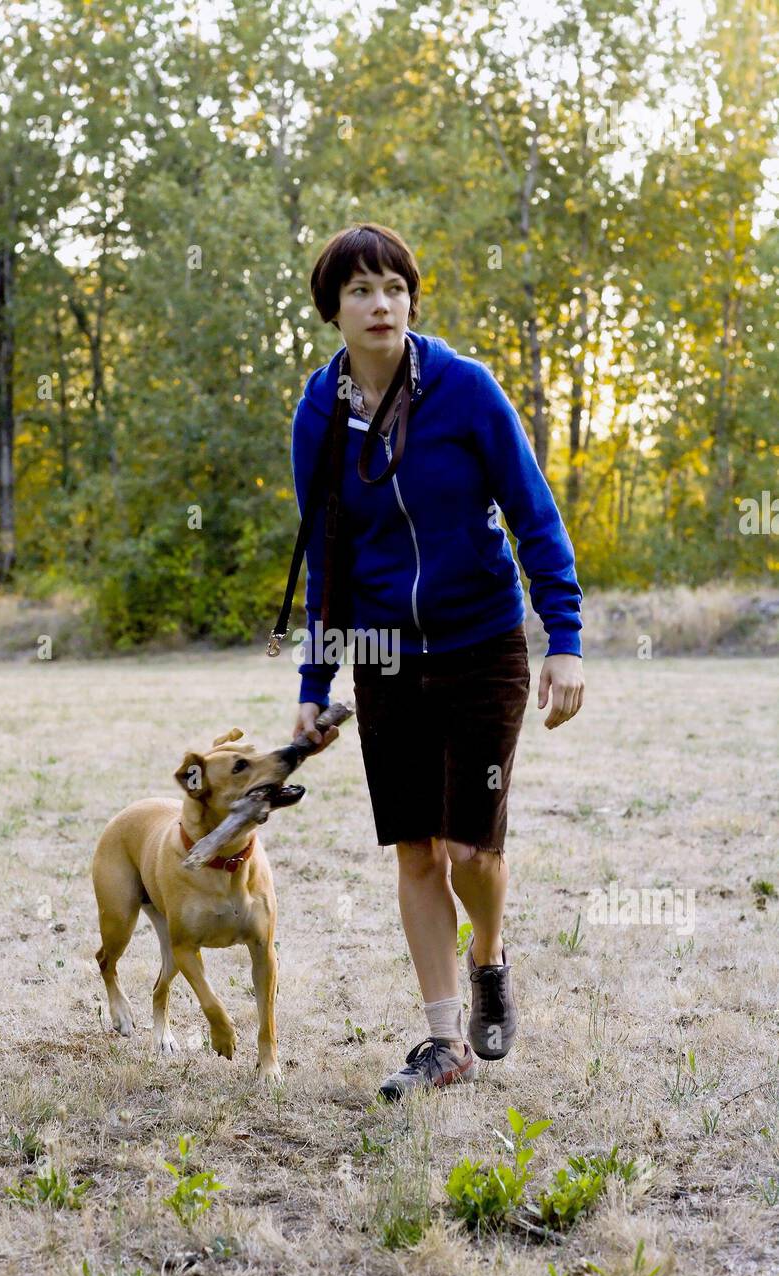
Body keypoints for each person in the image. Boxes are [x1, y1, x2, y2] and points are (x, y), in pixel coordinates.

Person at [289, 222, 584, 1102]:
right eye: (360, 292)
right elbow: (326, 557)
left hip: (481, 641)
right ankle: (444, 1038)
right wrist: (315, 684)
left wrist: (562, 638)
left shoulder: (467, 391)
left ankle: (488, 954)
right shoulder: (317, 415)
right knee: (416, 851)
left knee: (468, 850)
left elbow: (536, 515)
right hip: (384, 654)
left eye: (393, 288)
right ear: (333, 311)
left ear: (411, 299)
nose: (380, 304)